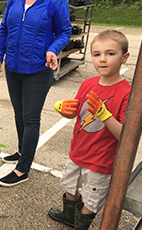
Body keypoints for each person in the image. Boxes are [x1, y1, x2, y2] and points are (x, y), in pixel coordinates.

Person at [48, 30, 130, 230]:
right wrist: (62, 110)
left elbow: (125, 136)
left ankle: (81, 225)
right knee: (69, 185)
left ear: (124, 57)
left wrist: (105, 115)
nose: (102, 59)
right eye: (96, 54)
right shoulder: (87, 84)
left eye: (110, 54)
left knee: (92, 199)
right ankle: (69, 215)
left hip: (101, 160)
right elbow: (76, 114)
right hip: (77, 152)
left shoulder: (127, 93)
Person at [0, 0, 72, 187]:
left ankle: (22, 169)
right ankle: (21, 151)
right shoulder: (14, 1)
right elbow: (5, 29)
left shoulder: (55, 2)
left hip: (38, 69)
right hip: (13, 67)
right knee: (19, 113)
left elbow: (64, 32)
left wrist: (52, 49)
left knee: (31, 118)